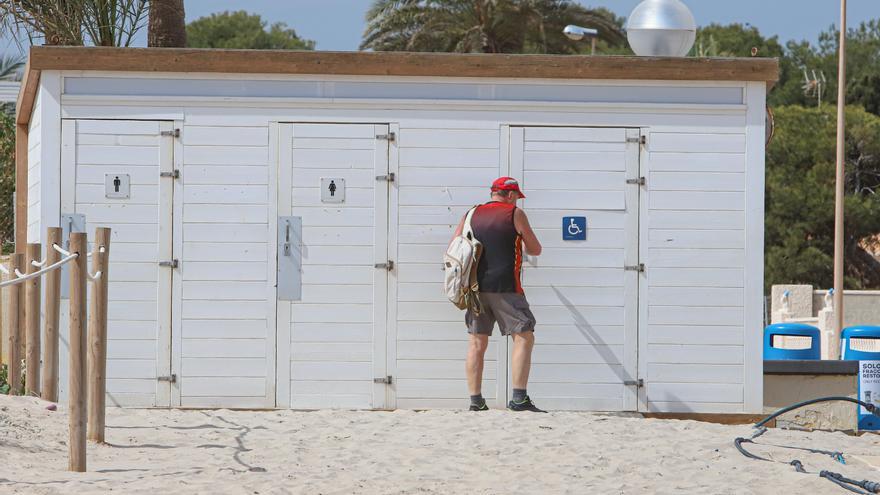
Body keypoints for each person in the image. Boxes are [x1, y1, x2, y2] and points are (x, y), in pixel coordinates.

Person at [450, 177, 544, 412]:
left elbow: (454, 246)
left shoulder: (470, 214)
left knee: (476, 343)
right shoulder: (515, 214)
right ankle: (519, 398)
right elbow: (536, 249)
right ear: (510, 195)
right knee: (524, 336)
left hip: (474, 288)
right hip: (506, 287)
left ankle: (476, 401)